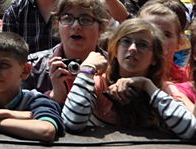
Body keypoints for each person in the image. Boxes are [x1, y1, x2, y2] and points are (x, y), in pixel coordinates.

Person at [62, 19, 196, 140]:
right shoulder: (99, 84)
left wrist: (147, 86)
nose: (132, 49)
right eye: (126, 42)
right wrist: (86, 69)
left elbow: (191, 130)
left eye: (142, 45)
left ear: (154, 59)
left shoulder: (163, 89)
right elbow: (72, 122)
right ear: (115, 50)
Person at [0, 33, 64, 142]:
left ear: (25, 70)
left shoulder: (36, 101)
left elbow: (46, 130)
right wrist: (9, 113)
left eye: (4, 65)